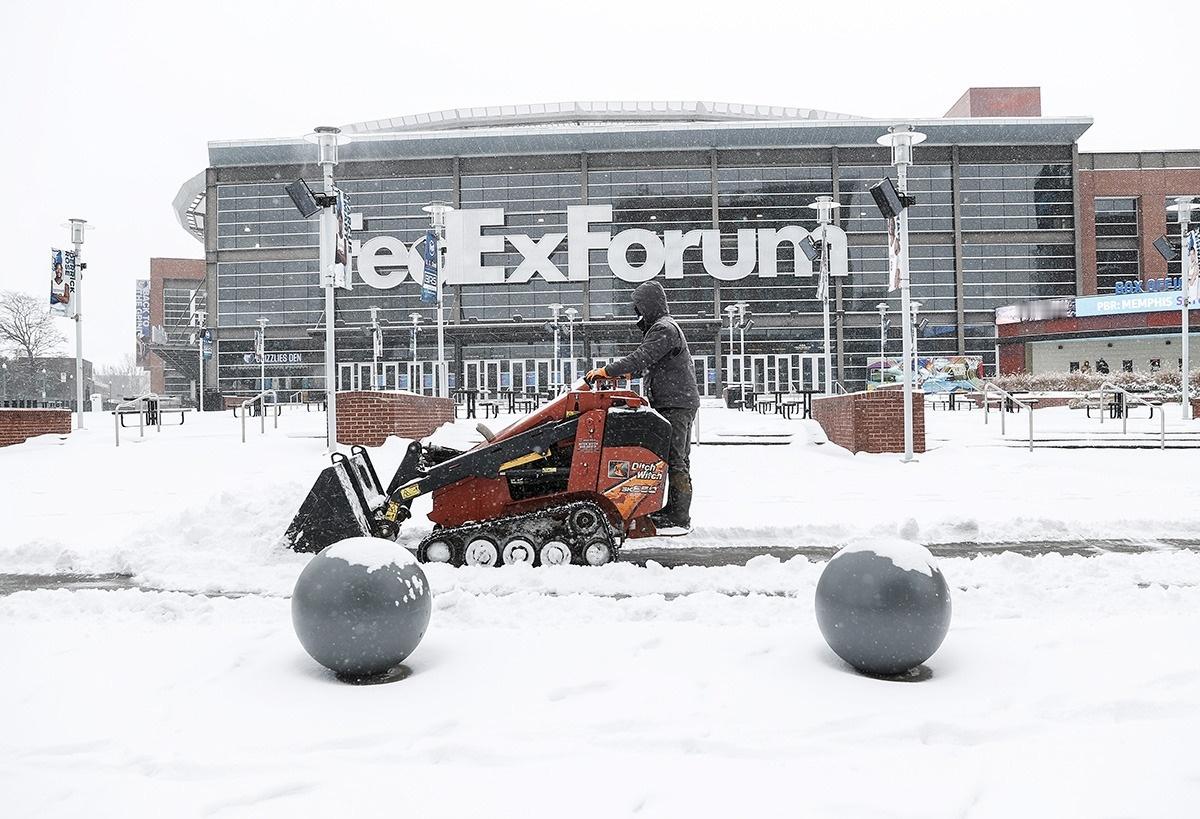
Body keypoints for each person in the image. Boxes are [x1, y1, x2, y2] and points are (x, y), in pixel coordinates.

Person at [586, 281, 699, 534]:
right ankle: (674, 511)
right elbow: (641, 365)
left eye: (639, 308)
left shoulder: (663, 328)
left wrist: (606, 370)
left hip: (676, 403)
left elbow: (641, 357)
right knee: (677, 458)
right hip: (676, 401)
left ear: (648, 305)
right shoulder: (663, 327)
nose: (637, 314)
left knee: (676, 459)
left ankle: (679, 516)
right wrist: (618, 376)